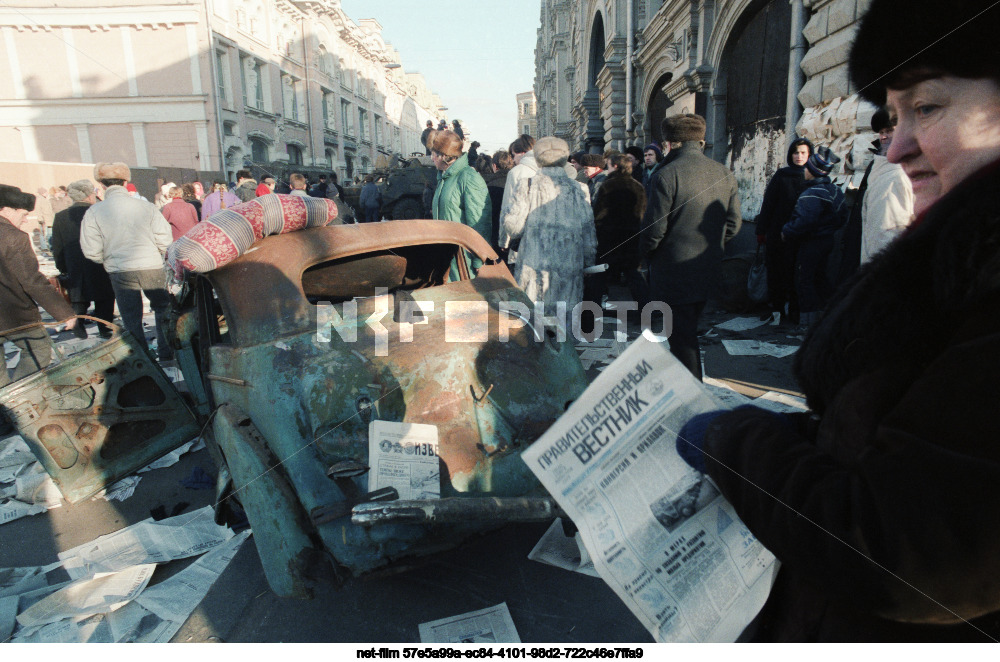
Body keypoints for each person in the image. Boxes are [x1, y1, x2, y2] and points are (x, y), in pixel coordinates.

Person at [674, 0, 1000, 641]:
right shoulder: (954, 263)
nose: (897, 146)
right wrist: (806, 439)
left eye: (927, 107)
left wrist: (738, 444)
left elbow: (905, 555)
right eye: (891, 115)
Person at [639, 113, 741, 380]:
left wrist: (647, 255)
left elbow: (654, 229)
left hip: (673, 272)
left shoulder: (666, 174)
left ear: (670, 143)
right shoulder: (723, 172)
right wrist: (713, 249)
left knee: (682, 340)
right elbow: (733, 223)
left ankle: (692, 393)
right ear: (701, 140)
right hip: (707, 268)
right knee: (688, 331)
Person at [80, 162, 173, 361]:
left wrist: (107, 260)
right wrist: (156, 254)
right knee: (162, 308)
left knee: (131, 317)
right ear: (125, 181)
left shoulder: (94, 212)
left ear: (102, 184)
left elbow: (91, 249)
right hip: (151, 266)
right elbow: (165, 237)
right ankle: (167, 351)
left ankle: (142, 358)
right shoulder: (145, 206)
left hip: (120, 270)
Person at [501, 136, 596, 316]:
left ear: (538, 158)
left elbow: (513, 227)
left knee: (534, 327)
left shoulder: (527, 185)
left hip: (533, 268)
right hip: (569, 269)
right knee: (564, 329)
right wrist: (589, 262)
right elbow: (588, 232)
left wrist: (508, 216)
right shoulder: (579, 188)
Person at [1, 184, 77, 388]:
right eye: (23, 214)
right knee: (39, 352)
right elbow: (31, 280)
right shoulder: (12, 237)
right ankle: (12, 399)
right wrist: (64, 313)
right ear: (6, 209)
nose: (25, 220)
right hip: (13, 315)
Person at [780, 146, 849, 327]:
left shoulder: (811, 193)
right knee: (821, 277)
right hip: (827, 241)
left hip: (811, 243)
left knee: (805, 280)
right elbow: (843, 217)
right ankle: (831, 315)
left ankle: (807, 323)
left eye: (807, 168)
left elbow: (805, 221)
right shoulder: (834, 190)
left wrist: (787, 231)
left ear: (812, 171)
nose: (804, 170)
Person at [756, 137, 814, 322]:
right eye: (796, 152)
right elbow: (769, 203)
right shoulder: (782, 175)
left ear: (809, 155)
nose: (799, 156)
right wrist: (761, 230)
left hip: (802, 235)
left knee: (797, 274)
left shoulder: (813, 177)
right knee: (776, 272)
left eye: (803, 152)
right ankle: (777, 310)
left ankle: (795, 312)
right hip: (778, 234)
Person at [50, 179, 116, 340]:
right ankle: (105, 330)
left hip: (75, 267)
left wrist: (63, 267)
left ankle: (79, 329)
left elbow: (57, 246)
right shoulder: (99, 212)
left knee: (78, 301)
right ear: (88, 195)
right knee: (105, 301)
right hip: (100, 264)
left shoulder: (60, 217)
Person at [428, 129, 491, 279]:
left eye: (434, 154)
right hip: (446, 259)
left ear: (443, 156)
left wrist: (479, 261)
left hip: (464, 263)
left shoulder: (468, 178)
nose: (431, 158)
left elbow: (480, 224)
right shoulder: (444, 179)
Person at [590, 154, 647, 309]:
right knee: (633, 275)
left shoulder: (607, 185)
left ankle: (590, 312)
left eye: (608, 165)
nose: (606, 168)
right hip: (631, 237)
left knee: (599, 276)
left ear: (615, 166)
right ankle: (648, 310)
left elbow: (599, 213)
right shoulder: (638, 186)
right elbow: (642, 213)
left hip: (609, 239)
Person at [860, 110, 915, 263]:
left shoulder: (897, 176)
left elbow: (888, 233)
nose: (884, 137)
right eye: (881, 132)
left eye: (889, 130)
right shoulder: (878, 168)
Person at [485, 150, 514, 252]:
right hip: (514, 235)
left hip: (495, 235)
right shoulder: (516, 182)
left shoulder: (489, 186)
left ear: (494, 166)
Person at [29, 186, 54, 251]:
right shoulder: (39, 199)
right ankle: (45, 247)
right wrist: (40, 219)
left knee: (48, 234)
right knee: (45, 234)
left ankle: (49, 246)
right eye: (46, 192)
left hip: (48, 219)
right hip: (44, 220)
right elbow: (38, 210)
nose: (47, 193)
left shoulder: (44, 199)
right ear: (43, 193)